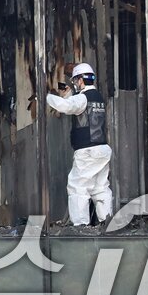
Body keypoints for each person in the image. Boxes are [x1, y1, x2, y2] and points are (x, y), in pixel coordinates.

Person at [45, 62, 113, 226]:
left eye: (75, 80)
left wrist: (45, 96)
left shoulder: (82, 98)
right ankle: (108, 222)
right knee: (100, 187)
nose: (75, 84)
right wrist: (69, 94)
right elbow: (79, 106)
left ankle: (81, 225)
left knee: (78, 187)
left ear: (80, 80)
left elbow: (68, 106)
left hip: (87, 151)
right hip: (102, 149)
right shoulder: (98, 97)